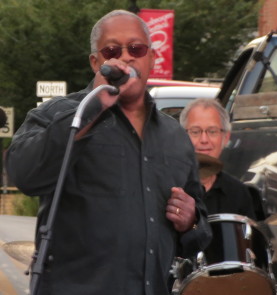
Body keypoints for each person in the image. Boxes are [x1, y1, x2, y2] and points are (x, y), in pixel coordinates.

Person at [5, 10, 212, 295]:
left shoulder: (174, 135)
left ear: (151, 57)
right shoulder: (59, 115)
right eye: (112, 50)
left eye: (136, 48)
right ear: (96, 62)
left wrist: (191, 221)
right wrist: (93, 109)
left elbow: (199, 228)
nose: (126, 57)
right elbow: (24, 174)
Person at [179, 98, 256, 220]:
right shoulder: (169, 188)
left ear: (226, 138)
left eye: (212, 131)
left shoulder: (237, 192)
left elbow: (247, 236)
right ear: (182, 136)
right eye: (195, 132)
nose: (204, 139)